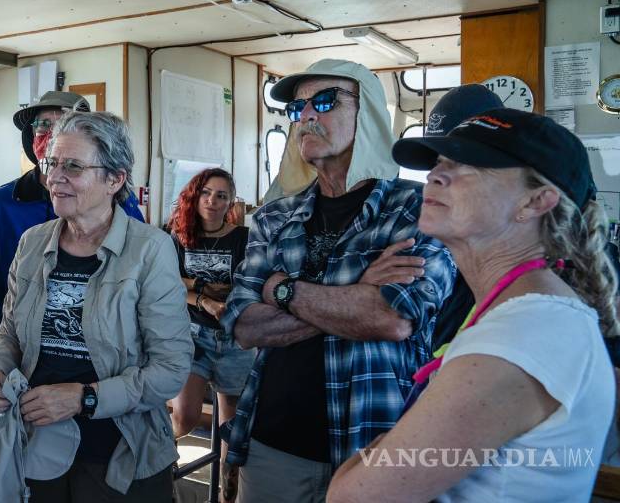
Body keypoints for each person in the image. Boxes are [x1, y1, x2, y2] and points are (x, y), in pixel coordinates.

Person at [328, 109, 618, 502]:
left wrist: (378, 452)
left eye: (469, 165)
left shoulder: (527, 331)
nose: (435, 175)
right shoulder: (516, 310)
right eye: (440, 162)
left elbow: (352, 497)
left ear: (535, 201)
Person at [220, 59, 455, 502]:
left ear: (366, 114)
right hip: (274, 446)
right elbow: (244, 325)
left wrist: (281, 289)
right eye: (298, 108)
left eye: (325, 101)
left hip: (375, 443)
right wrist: (357, 291)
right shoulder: (275, 217)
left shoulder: (416, 210)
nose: (306, 115)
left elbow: (394, 318)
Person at [0, 111, 191, 502]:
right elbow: (9, 332)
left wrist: (84, 397)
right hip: (36, 444)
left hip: (118, 452)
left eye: (73, 166)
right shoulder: (31, 243)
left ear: (115, 179)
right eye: (52, 164)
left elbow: (171, 369)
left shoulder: (149, 249)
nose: (55, 177)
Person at [0, 92, 146, 357]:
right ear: (31, 135)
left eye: (65, 122)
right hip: (23, 340)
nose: (52, 132)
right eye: (44, 124)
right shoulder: (2, 202)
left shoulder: (117, 199)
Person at [166, 168, 253, 503]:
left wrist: (201, 289)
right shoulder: (179, 235)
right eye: (206, 193)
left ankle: (225, 490)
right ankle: (162, 458)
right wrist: (203, 295)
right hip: (193, 335)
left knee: (231, 426)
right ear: (195, 195)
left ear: (231, 201)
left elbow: (248, 285)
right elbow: (171, 284)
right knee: (185, 416)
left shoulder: (242, 239)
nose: (212, 201)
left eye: (221, 195)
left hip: (233, 337)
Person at [418, 84, 504, 353]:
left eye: (458, 161)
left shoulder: (542, 281)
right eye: (436, 161)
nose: (434, 176)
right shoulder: (432, 247)